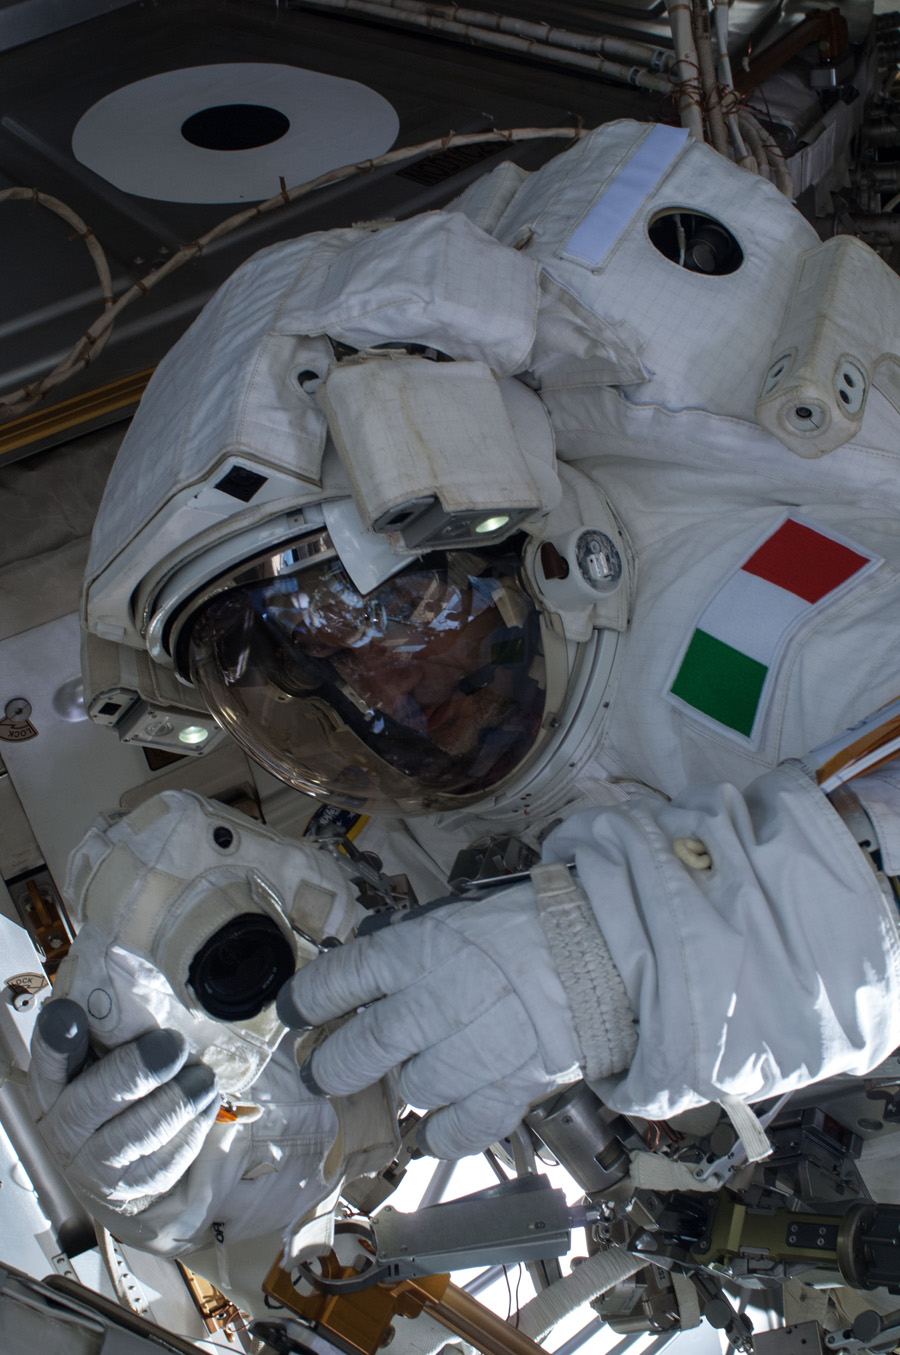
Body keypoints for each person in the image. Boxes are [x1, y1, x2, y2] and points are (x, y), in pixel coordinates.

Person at [25, 117, 900, 1306]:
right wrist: (245, 1138)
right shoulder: (415, 829)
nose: (379, 700)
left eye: (373, 619)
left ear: (486, 504)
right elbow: (370, 1054)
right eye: (297, 683)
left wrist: (624, 954)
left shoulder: (754, 615)